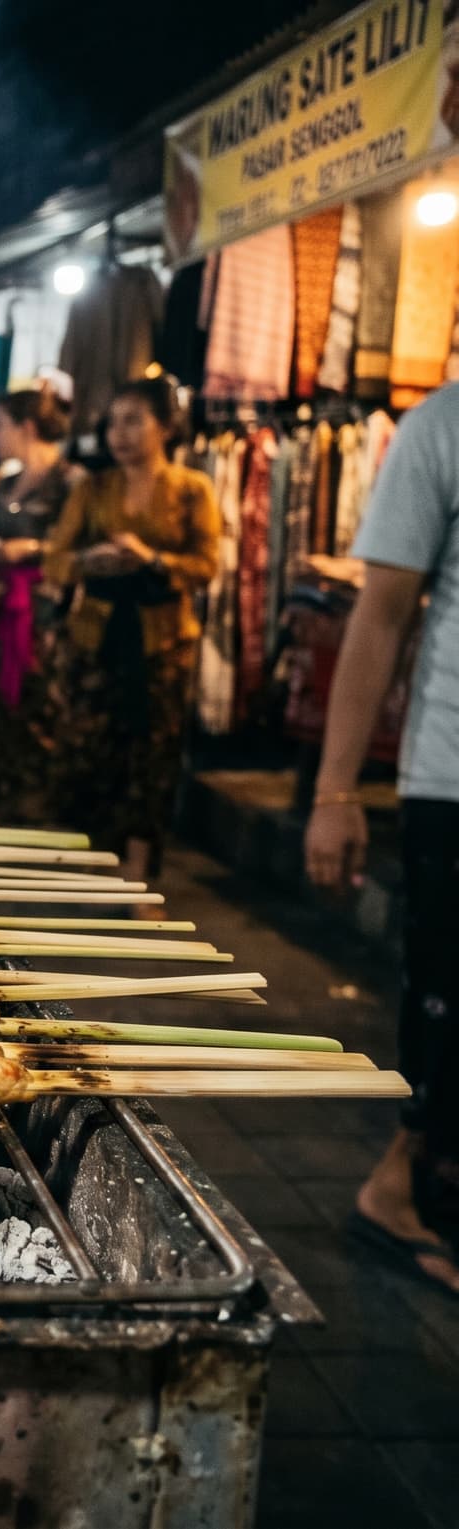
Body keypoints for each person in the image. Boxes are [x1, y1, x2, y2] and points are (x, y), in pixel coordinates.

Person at [305, 379, 459, 1297]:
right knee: (447, 1000)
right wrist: (336, 787)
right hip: (452, 773)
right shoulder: (441, 425)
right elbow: (381, 616)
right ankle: (400, 1190)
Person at [44, 378, 220, 882]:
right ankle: (96, 866)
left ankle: (141, 870)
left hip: (161, 639)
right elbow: (54, 559)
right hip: (95, 634)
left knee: (152, 753)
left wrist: (154, 560)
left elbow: (207, 565)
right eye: (113, 421)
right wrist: (88, 560)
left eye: (133, 420)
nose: (118, 434)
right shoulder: (93, 488)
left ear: (165, 427)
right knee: (91, 749)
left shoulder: (192, 489)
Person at [0, 389, 76, 824]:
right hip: (1, 609)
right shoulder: (5, 483)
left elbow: (78, 548)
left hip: (44, 613)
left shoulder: (72, 482)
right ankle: (1, 801)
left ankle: (37, 807)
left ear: (27, 427)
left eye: (0, 425)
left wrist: (32, 547)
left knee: (39, 703)